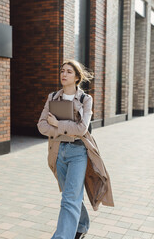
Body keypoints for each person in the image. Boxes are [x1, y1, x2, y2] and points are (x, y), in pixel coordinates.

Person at [37, 59, 114, 239]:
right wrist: (65, 129)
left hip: (78, 153)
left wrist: (57, 124)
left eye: (69, 71)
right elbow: (41, 126)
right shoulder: (53, 97)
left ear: (77, 77)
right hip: (58, 151)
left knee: (69, 199)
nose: (64, 74)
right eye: (62, 71)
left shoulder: (85, 99)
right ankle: (82, 224)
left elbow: (82, 129)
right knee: (71, 196)